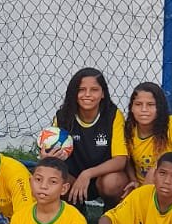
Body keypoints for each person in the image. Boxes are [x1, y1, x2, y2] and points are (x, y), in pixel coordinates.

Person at [46, 68, 128, 207]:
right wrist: (47, 157)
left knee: (113, 182)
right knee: (50, 175)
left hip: (102, 178)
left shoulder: (113, 116)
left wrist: (88, 174)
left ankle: (111, 214)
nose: (87, 94)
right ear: (74, 93)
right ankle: (73, 210)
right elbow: (53, 155)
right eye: (81, 89)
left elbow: (120, 160)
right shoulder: (63, 117)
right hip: (73, 179)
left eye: (94, 90)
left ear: (103, 93)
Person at [122, 84, 172, 187]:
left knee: (156, 172)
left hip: (170, 185)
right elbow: (127, 160)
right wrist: (134, 180)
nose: (144, 109)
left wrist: (160, 167)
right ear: (131, 108)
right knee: (113, 181)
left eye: (150, 104)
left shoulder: (171, 124)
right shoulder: (129, 129)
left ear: (159, 107)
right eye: (138, 104)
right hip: (142, 187)